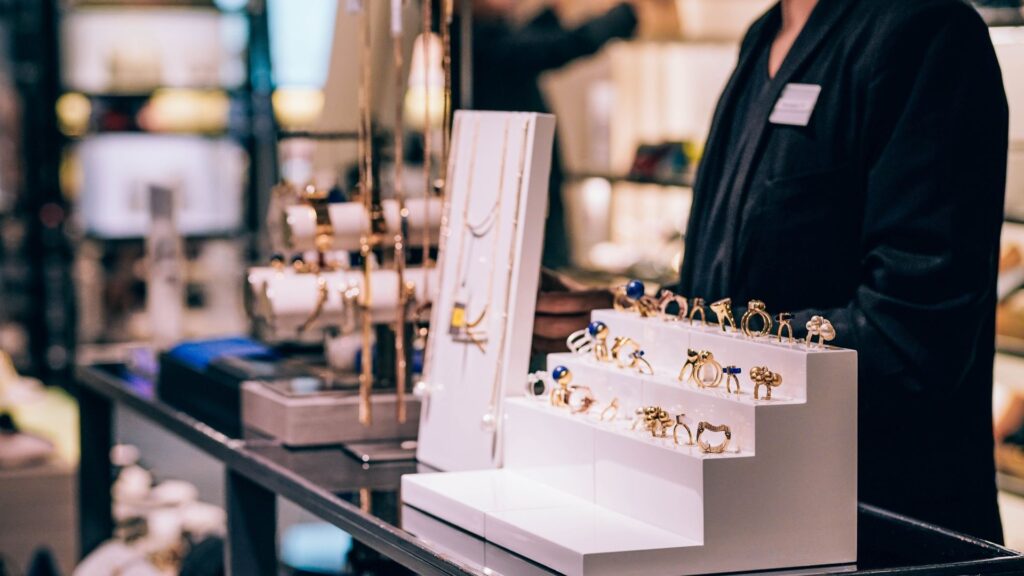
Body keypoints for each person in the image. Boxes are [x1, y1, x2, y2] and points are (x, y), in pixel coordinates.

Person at [536, 0, 1010, 543]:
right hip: (747, 515)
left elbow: (909, 338)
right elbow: (722, 289)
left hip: (879, 527)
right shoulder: (762, 37)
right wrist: (627, 314)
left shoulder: (925, 32)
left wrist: (663, 328)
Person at [451, 0, 642, 268]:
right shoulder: (471, 38)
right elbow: (547, 48)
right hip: (509, 183)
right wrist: (623, 15)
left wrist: (552, 12)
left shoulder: (478, 34)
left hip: (521, 177)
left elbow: (527, 41)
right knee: (536, 263)